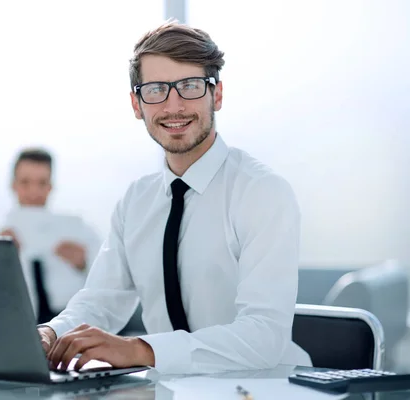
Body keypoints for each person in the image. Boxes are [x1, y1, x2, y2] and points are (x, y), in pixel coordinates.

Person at [37, 21, 312, 375]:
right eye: (156, 90)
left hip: (269, 388)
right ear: (137, 104)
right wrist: (49, 333)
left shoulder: (262, 192)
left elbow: (263, 337)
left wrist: (140, 349)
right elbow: (100, 302)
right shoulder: (136, 201)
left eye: (190, 86)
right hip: (170, 390)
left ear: (218, 94)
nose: (174, 105)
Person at [0, 148, 101, 324]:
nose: (33, 192)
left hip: (71, 324)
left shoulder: (77, 228)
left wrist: (85, 262)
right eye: (25, 182)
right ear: (13, 185)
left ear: (50, 187)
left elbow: (112, 274)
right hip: (15, 323)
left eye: (42, 183)